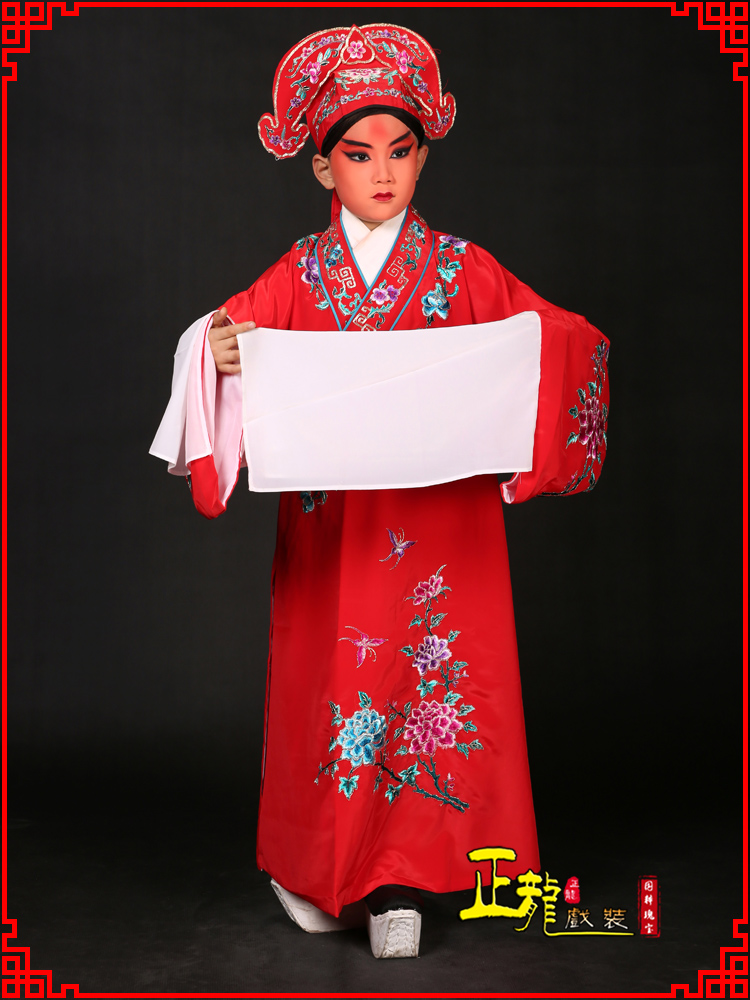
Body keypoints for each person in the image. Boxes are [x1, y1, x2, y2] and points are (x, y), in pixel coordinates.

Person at [150, 23, 610, 959]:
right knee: (332, 681)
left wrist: (544, 351)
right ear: (324, 168)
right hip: (337, 529)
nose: (384, 172)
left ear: (424, 154)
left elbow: (558, 336)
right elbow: (219, 335)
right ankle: (310, 868)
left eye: (401, 151)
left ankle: (399, 880)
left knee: (428, 680)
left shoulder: (463, 270)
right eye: (359, 155)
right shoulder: (300, 273)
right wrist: (217, 350)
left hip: (442, 527)